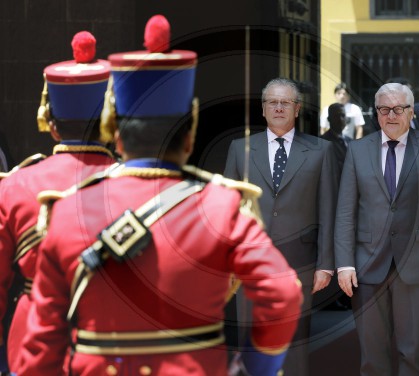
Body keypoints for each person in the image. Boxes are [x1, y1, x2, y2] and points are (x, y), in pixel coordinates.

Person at [18, 15, 302, 376]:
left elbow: (41, 342)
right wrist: (256, 367)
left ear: (114, 131)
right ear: (191, 131)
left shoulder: (68, 208)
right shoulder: (221, 205)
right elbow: (283, 294)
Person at [0, 31, 116, 374]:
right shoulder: (136, 183)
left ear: (50, 123)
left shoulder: (15, 185)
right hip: (113, 344)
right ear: (111, 120)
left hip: (30, 345)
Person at [335, 82, 419, 376]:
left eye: (399, 109)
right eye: (385, 109)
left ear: (411, 112)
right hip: (366, 266)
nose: (392, 115)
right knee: (372, 356)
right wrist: (344, 264)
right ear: (376, 113)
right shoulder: (357, 150)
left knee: (413, 353)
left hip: (416, 265)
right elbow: (345, 211)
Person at [224, 77, 336, 376]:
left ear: (297, 109)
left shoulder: (321, 151)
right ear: (263, 109)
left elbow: (328, 211)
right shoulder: (240, 150)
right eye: (272, 102)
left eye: (285, 102)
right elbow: (228, 210)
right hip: (249, 264)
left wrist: (326, 264)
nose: (278, 107)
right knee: (251, 340)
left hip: (300, 263)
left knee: (295, 341)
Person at [321, 102, 351, 178]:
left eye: (343, 115)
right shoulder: (322, 143)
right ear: (329, 119)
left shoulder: (351, 141)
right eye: (336, 116)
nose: (340, 119)